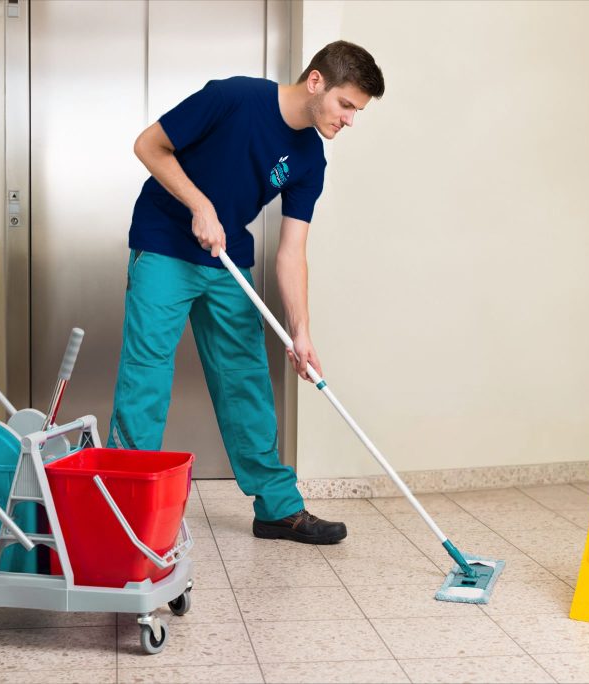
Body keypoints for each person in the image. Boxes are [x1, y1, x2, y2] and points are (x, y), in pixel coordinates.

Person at [109, 40, 384, 544]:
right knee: (146, 376)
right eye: (346, 105)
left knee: (246, 381)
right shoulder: (234, 98)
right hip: (164, 242)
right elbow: (148, 145)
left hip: (227, 255)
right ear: (316, 82)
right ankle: (123, 511)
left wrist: (301, 333)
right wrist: (199, 205)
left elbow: (292, 252)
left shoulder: (311, 159)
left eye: (357, 112)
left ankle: (278, 509)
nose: (349, 120)